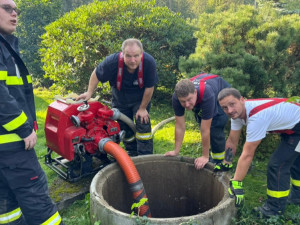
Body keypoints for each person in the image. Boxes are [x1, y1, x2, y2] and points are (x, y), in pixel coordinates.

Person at [0, 0, 64, 224]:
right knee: (38, 202)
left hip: (4, 151)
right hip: (13, 146)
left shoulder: (5, 46)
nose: (14, 13)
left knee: (6, 207)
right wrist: (24, 128)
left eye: (16, 9)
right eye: (7, 8)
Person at [218, 87, 300, 218]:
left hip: (298, 128)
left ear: (242, 100)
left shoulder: (257, 117)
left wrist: (237, 182)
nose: (230, 110)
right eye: (224, 108)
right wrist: (226, 163)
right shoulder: (237, 115)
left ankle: (274, 210)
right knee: (294, 160)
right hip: (293, 126)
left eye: (232, 104)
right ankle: (297, 196)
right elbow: (232, 141)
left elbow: (248, 154)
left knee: (278, 165)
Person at [77, 38, 158, 156]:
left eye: (136, 56)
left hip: (140, 100)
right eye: (128, 56)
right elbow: (96, 74)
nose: (133, 60)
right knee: (125, 128)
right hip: (120, 100)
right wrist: (89, 92)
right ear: (122, 54)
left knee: (142, 123)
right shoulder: (112, 62)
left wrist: (142, 108)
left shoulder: (149, 63)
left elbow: (150, 87)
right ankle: (131, 152)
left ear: (142, 54)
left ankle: (145, 156)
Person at [164, 73, 230, 169]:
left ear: (195, 92)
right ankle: (211, 157)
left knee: (215, 127)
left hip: (222, 94)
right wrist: (176, 151)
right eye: (183, 101)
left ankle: (220, 163)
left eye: (189, 99)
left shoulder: (207, 94)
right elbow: (179, 125)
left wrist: (204, 156)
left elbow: (205, 129)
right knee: (201, 122)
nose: (186, 105)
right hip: (204, 95)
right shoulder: (176, 97)